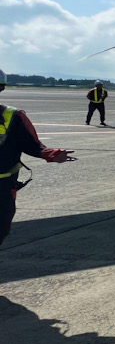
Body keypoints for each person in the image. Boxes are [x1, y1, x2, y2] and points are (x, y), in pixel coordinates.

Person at [0, 69, 76, 246]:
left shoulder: (13, 116)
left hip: (2, 188)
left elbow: (32, 145)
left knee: (1, 229)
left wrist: (51, 154)